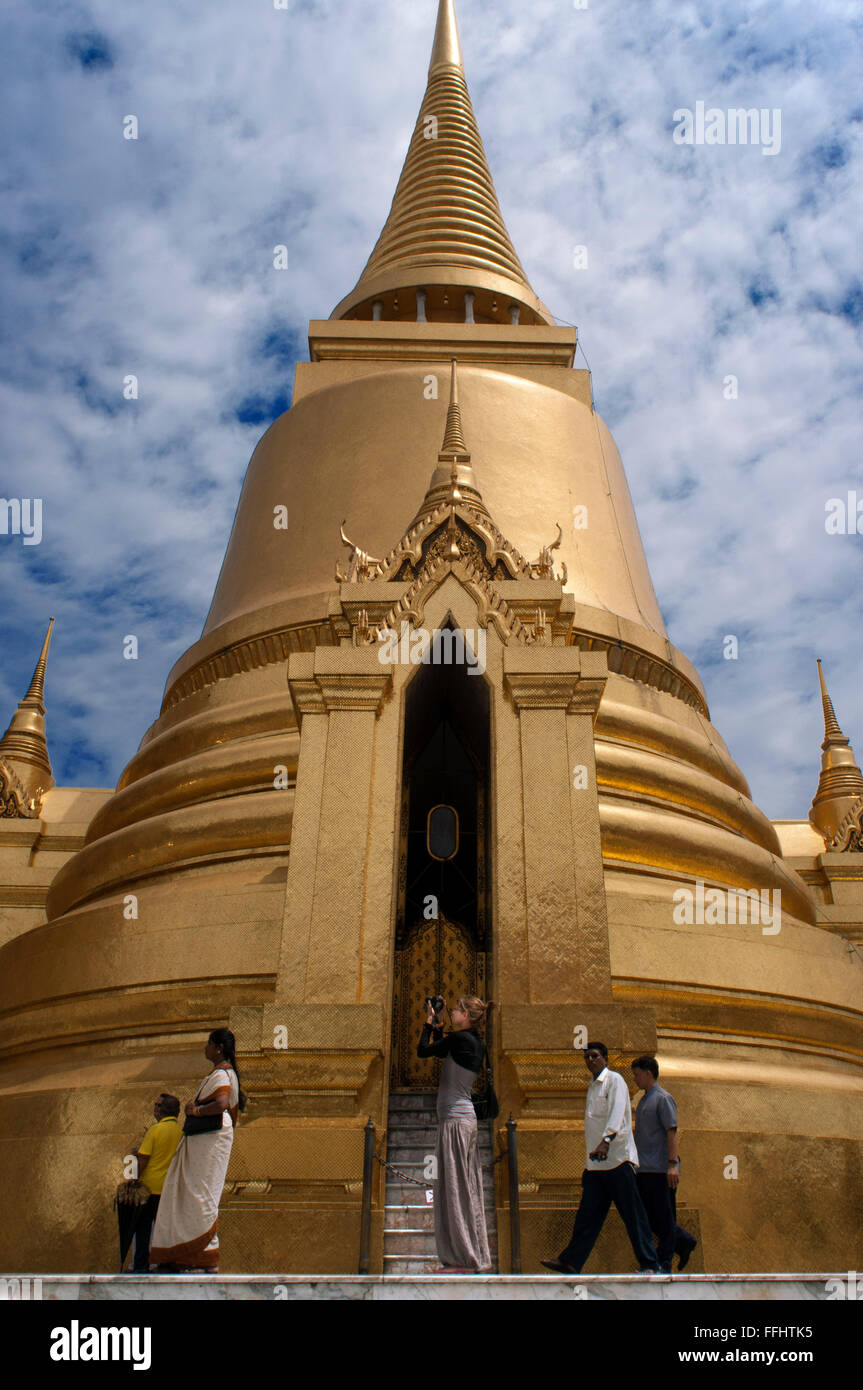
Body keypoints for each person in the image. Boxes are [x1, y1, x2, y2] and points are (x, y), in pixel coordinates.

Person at [541, 1042, 661, 1275]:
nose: (590, 1060)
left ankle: (650, 1263)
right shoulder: (593, 1087)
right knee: (587, 1217)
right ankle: (571, 1261)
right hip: (596, 1165)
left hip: (617, 1160)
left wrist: (606, 1141)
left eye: (595, 1056)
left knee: (633, 1216)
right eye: (587, 1057)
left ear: (605, 1058)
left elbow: (617, 1112)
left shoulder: (614, 1081)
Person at [149, 1028, 244, 1273]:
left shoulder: (223, 1075)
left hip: (210, 1137)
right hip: (208, 1138)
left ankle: (203, 1255)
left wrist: (195, 1111)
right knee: (194, 1195)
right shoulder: (222, 1074)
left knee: (200, 1195)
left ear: (218, 1047)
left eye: (208, 1044)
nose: (205, 1048)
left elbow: (221, 1104)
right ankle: (188, 1254)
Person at [417, 994, 492, 1273]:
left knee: (454, 1188)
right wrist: (438, 1023)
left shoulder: (461, 1040)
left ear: (467, 1016)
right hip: (461, 1122)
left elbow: (424, 1050)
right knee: (459, 1186)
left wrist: (429, 1021)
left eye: (458, 1010)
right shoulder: (473, 1042)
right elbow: (441, 1048)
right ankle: (465, 1254)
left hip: (455, 1123)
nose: (453, 1012)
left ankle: (463, 1258)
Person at [631, 1055, 697, 1273]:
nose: (635, 1079)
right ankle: (684, 1241)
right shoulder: (643, 1100)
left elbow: (671, 1131)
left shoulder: (663, 1098)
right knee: (647, 1218)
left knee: (665, 1217)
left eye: (637, 1074)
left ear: (648, 1073)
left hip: (661, 1169)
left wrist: (672, 1164)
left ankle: (664, 1261)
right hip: (644, 1168)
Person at [129, 1093, 182, 1273]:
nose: (155, 1108)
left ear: (161, 1110)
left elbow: (143, 1159)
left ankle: (141, 1265)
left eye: (157, 1105)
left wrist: (133, 1179)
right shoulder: (181, 1132)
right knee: (165, 1229)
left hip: (149, 1188)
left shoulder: (155, 1130)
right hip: (169, 1189)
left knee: (142, 1228)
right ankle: (166, 1263)